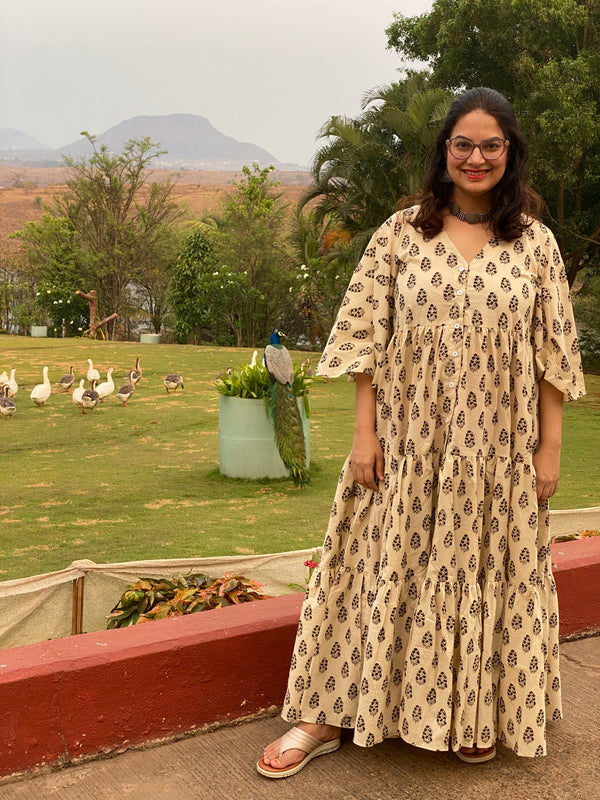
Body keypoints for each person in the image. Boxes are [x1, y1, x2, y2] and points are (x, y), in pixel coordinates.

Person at [257, 87, 586, 778]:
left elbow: (554, 355)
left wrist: (548, 450)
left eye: (490, 145)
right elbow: (364, 340)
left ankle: (472, 712)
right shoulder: (402, 234)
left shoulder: (535, 244)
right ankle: (323, 715)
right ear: (443, 152)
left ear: (509, 153)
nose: (475, 157)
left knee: (487, 574)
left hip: (498, 452)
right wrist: (364, 436)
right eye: (462, 144)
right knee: (369, 567)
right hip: (406, 447)